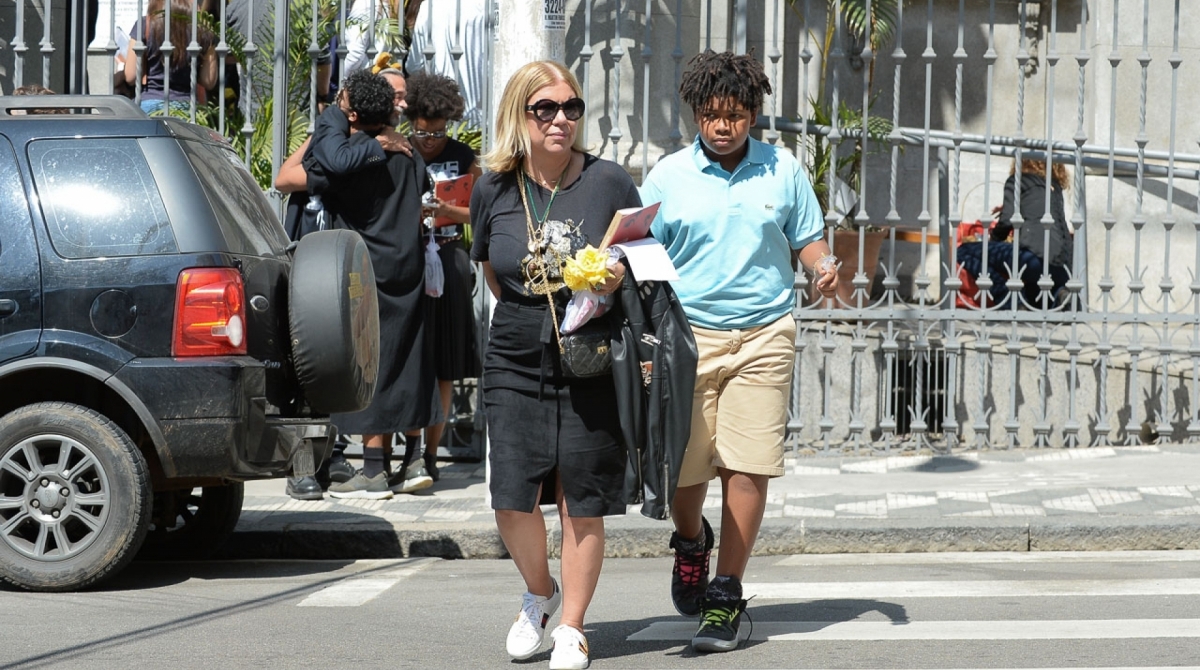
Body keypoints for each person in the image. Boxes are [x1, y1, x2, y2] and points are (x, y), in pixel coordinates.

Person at [639, 50, 837, 654]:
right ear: (697, 114)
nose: (723, 125)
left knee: (746, 462)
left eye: (735, 114)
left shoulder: (783, 170)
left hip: (764, 334)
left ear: (753, 115)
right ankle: (691, 542)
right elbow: (639, 246)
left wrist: (824, 265)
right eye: (711, 114)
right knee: (685, 470)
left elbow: (807, 239)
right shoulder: (669, 176)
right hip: (688, 336)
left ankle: (726, 594)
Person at [470, 60, 638, 670]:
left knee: (583, 497)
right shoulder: (492, 186)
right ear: (521, 115)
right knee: (511, 497)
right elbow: (493, 267)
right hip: (515, 349)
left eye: (571, 107)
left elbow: (644, 256)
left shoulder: (610, 182)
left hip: (591, 350)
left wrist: (615, 277)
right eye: (546, 109)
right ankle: (540, 596)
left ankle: (572, 627)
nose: (561, 119)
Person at [402, 71, 482, 482]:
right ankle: (411, 453)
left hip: (449, 258)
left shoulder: (464, 155)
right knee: (415, 358)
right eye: (421, 132)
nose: (429, 140)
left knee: (444, 365)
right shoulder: (401, 153)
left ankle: (431, 455)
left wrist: (445, 212)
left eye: (436, 133)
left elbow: (482, 212)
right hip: (411, 259)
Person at [123, 0, 218, 115]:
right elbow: (208, 80)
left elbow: (131, 76)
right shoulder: (202, 29)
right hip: (187, 108)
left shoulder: (145, 25)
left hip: (149, 106)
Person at [404, 0, 488, 128]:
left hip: (442, 112)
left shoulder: (430, 5)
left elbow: (414, 65)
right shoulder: (488, 5)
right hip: (483, 113)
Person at [342, 0, 424, 76]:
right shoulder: (393, 6)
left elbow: (355, 53)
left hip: (364, 77)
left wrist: (344, 79)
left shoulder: (366, 3)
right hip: (384, 75)